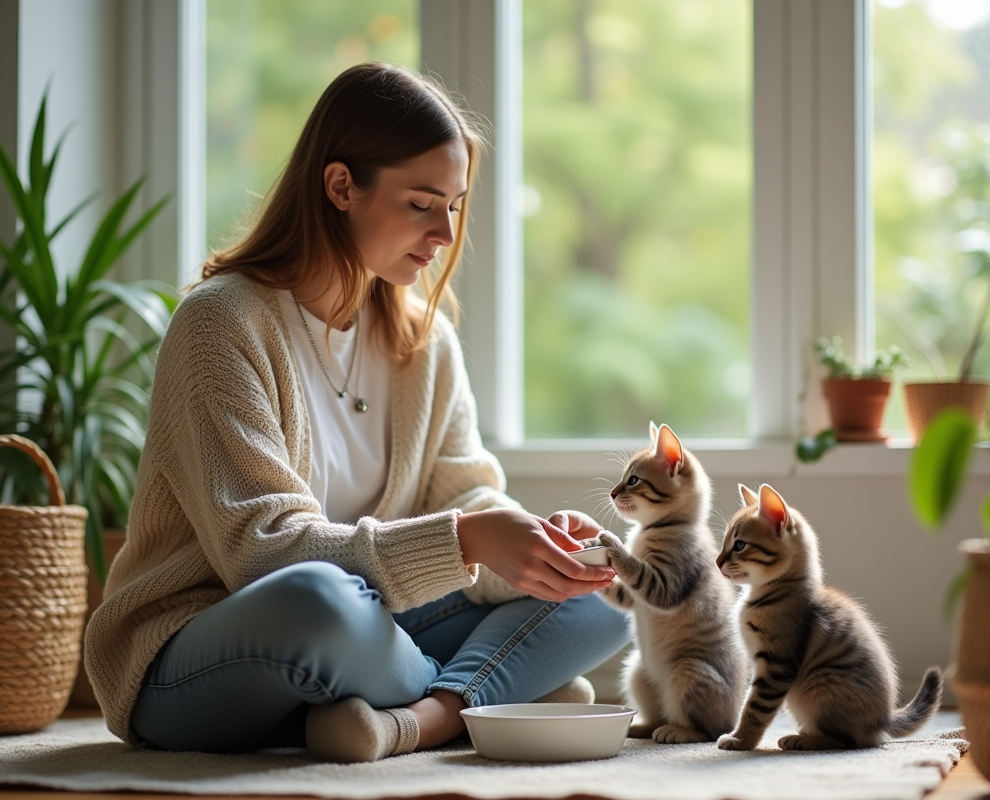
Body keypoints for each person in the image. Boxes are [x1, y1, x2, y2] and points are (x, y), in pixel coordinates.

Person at [84, 62, 630, 762]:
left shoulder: (425, 343)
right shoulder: (220, 324)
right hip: (200, 650)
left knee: (608, 583)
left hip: (376, 633)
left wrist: (534, 543)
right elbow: (262, 555)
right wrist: (467, 539)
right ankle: (486, 697)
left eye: (455, 205)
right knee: (320, 599)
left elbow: (466, 498)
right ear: (342, 186)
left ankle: (416, 719)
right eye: (421, 203)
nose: (442, 232)